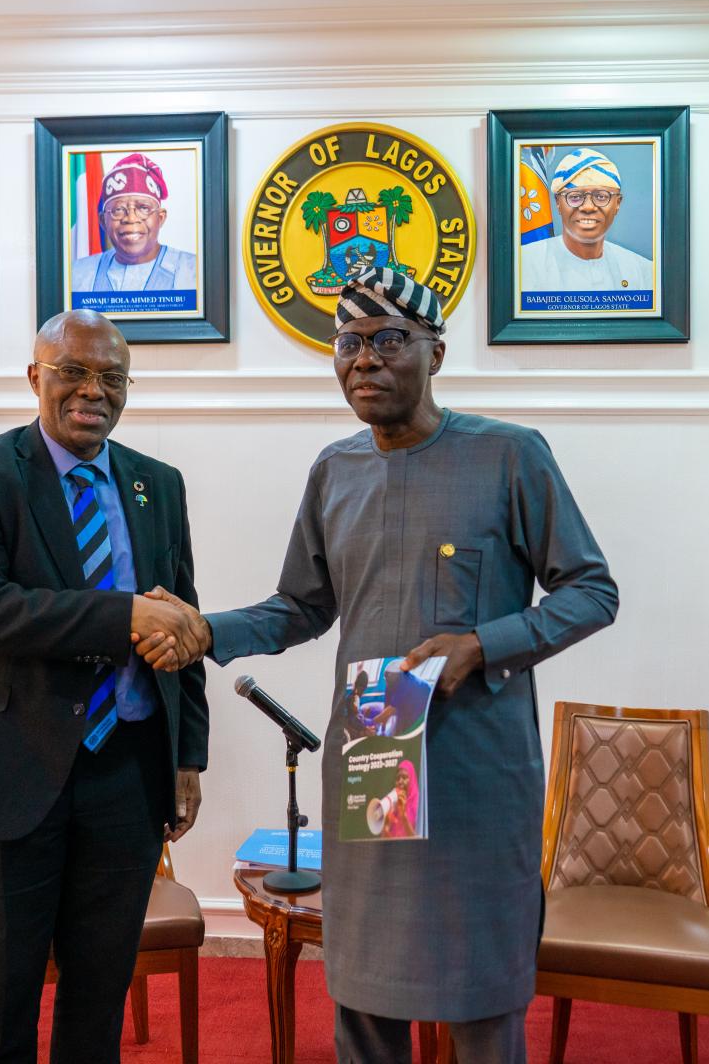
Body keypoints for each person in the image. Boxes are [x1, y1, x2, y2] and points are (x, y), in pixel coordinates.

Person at [137, 268, 620, 1063]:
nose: (364, 360)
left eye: (389, 341)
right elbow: (300, 606)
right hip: (376, 732)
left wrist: (483, 644)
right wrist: (203, 630)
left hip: (479, 755)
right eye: (349, 344)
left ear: (434, 352)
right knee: (368, 983)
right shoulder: (336, 470)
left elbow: (590, 590)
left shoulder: (509, 456)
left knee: (479, 981)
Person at [0, 308, 209, 1064]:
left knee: (98, 999)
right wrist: (122, 615)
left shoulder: (158, 484)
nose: (93, 391)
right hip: (11, 769)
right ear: (34, 377)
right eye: (73, 372)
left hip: (128, 772)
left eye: (110, 378)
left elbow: (180, 629)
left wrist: (187, 759)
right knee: (0, 1002)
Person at [519, 146, 654, 294]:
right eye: (575, 197)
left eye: (601, 196)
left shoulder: (643, 273)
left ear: (618, 204)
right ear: (558, 203)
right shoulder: (521, 266)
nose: (588, 207)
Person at [71, 152, 198, 295]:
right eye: (118, 209)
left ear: (160, 218)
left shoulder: (196, 271)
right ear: (103, 222)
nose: (131, 218)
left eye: (143, 208)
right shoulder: (76, 275)